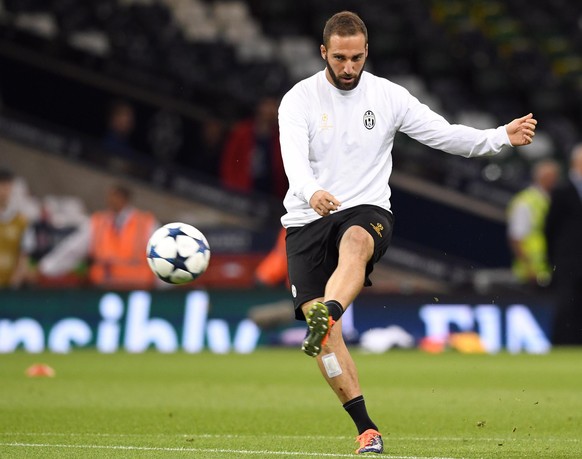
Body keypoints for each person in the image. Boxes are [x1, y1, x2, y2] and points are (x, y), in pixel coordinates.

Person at [278, 11, 537, 454]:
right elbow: (293, 160)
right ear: (324, 52)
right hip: (307, 218)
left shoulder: (388, 96)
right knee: (326, 343)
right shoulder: (298, 99)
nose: (348, 67)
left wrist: (499, 137)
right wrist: (311, 191)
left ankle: (332, 309)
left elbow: (445, 135)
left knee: (355, 242)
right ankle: (365, 427)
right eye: (339, 58)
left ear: (366, 53)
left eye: (356, 58)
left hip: (367, 208)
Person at [33, 184, 159, 290]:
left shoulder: (145, 223)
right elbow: (72, 249)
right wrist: (46, 268)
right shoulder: (98, 223)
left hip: (137, 290)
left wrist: (165, 287)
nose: (111, 200)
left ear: (124, 199)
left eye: (115, 197)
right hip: (102, 288)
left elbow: (160, 255)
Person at [545, 145, 582, 345]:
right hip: (568, 260)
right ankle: (563, 345)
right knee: (566, 304)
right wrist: (554, 258)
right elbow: (550, 228)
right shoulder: (561, 191)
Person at [220, 96, 288, 198]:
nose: (270, 110)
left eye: (274, 106)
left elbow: (280, 172)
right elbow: (229, 161)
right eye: (267, 105)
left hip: (267, 194)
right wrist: (230, 187)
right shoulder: (243, 131)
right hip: (240, 190)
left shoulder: (281, 138)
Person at [506, 159, 560, 287]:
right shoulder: (525, 202)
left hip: (548, 269)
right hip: (530, 273)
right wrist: (529, 267)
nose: (555, 180)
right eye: (551, 176)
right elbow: (516, 238)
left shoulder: (551, 200)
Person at [0, 168, 28, 288]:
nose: (2, 191)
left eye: (6, 186)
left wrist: (14, 281)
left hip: (8, 289)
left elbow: (23, 255)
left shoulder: (20, 221)